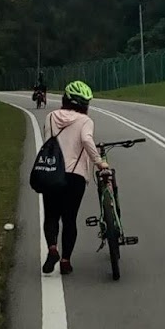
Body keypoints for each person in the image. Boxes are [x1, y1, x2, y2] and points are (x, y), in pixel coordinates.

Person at [40, 80, 106, 275]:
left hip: (51, 172)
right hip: (74, 177)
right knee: (69, 219)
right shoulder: (85, 121)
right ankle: (66, 261)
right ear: (84, 105)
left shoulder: (51, 116)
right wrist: (99, 162)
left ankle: (52, 248)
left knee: (51, 215)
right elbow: (86, 140)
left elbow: (48, 141)